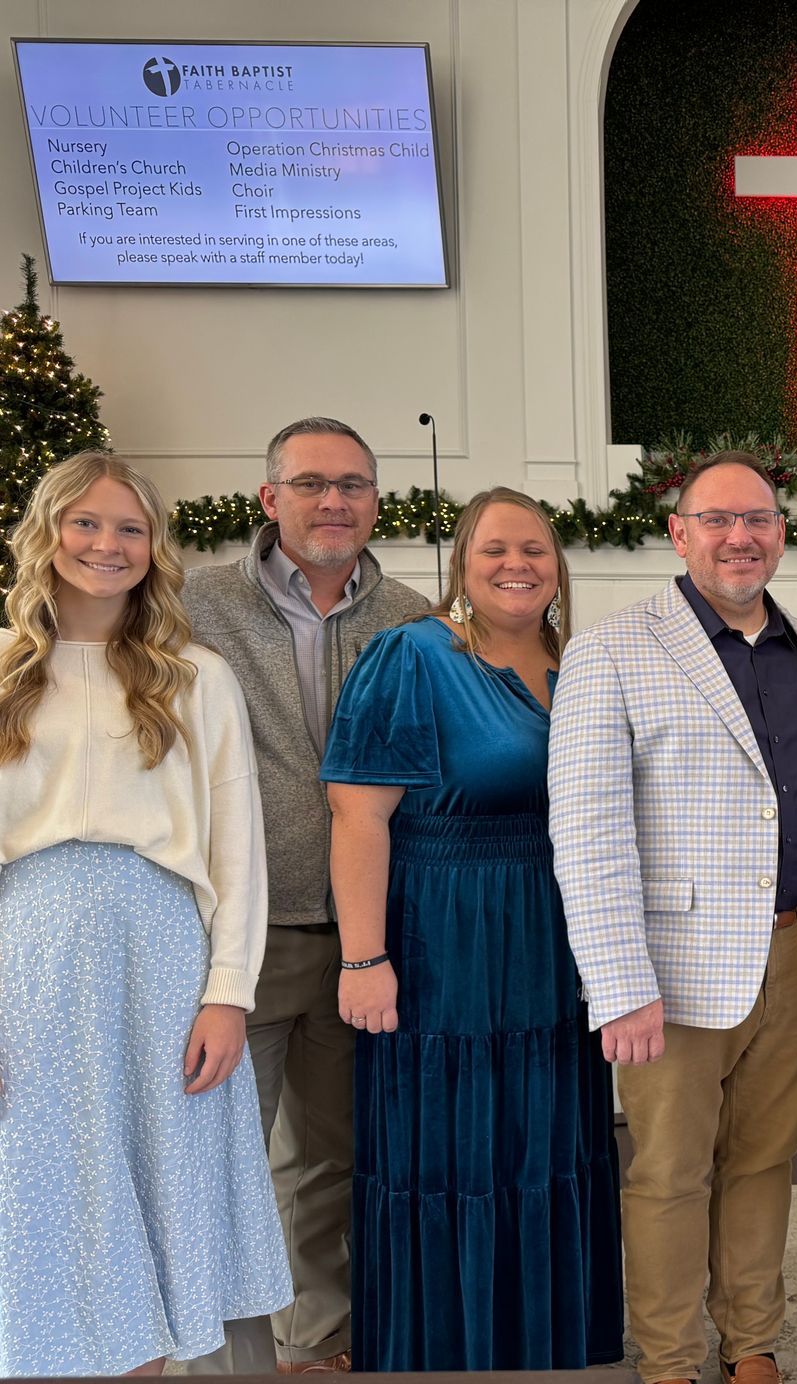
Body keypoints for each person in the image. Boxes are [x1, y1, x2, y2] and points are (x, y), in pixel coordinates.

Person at [549, 451, 797, 1384]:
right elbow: (586, 830)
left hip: (796, 948)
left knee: (762, 1163)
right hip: (668, 968)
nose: (740, 537)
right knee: (671, 1175)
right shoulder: (613, 648)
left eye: (758, 519)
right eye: (717, 519)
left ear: (780, 535)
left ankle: (750, 1340)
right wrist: (619, 985)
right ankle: (672, 1360)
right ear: (679, 534)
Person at [0, 452, 292, 1376]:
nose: (107, 544)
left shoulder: (196, 677)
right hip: (28, 959)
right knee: (37, 1190)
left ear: (154, 549)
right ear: (48, 535)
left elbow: (238, 849)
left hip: (162, 957)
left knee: (159, 1193)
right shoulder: (3, 668)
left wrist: (228, 992)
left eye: (130, 528)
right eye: (85, 523)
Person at [318, 488, 621, 1370]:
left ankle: (549, 1340)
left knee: (545, 1136)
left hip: (554, 936)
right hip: (440, 937)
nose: (516, 565)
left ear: (558, 566)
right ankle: (442, 1348)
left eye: (534, 548)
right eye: (494, 549)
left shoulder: (584, 663)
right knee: (445, 1142)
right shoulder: (412, 657)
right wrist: (363, 957)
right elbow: (358, 817)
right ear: (462, 563)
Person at [183, 415, 428, 1374]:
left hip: (363, 930)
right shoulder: (196, 605)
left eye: (355, 486)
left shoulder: (409, 615)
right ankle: (216, 1352)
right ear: (268, 498)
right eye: (314, 483)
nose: (335, 502)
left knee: (327, 1155)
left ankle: (312, 1336)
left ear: (376, 501)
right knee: (221, 1160)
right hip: (236, 931)